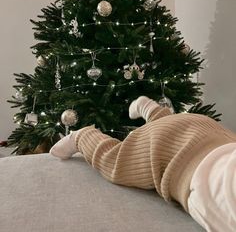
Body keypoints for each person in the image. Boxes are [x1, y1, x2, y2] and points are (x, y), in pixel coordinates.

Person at [50, 96, 236, 232]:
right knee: (114, 160)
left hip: (214, 134)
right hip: (175, 152)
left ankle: (151, 108)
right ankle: (82, 136)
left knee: (173, 124)